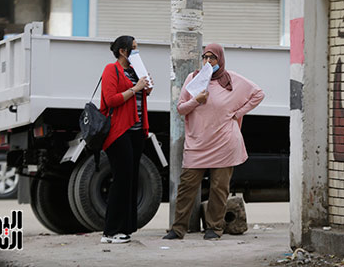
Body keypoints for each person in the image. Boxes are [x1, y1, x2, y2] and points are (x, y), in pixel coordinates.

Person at [163, 43, 264, 240]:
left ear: (221, 59)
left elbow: (258, 93)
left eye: (213, 58)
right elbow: (181, 108)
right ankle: (177, 229)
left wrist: (238, 113)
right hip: (197, 143)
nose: (208, 61)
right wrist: (196, 100)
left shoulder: (231, 80)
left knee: (219, 188)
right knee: (187, 186)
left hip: (224, 142)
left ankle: (214, 228)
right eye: (205, 57)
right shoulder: (194, 79)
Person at [100, 35, 152, 244]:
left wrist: (145, 86)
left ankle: (126, 229)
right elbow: (110, 99)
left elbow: (143, 94)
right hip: (119, 132)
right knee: (121, 181)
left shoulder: (134, 71)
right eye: (134, 48)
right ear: (123, 51)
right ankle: (110, 231)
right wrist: (135, 88)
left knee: (130, 180)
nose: (137, 52)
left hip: (136, 132)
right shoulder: (111, 70)